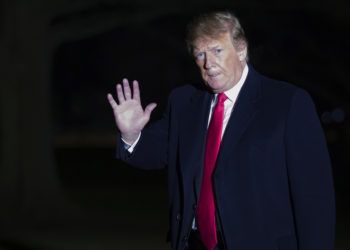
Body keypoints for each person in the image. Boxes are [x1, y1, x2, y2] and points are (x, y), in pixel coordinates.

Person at [107, 11, 335, 250]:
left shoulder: (287, 103)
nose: (208, 63)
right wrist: (131, 135)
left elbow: (314, 199)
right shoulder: (185, 102)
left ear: (241, 50)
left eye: (217, 51)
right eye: (200, 54)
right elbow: (156, 152)